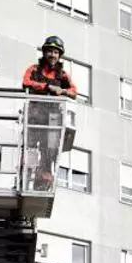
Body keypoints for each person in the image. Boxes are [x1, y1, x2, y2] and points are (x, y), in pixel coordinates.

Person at [21, 35, 77, 190]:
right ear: (45, 52)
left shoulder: (62, 75)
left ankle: (42, 182)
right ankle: (24, 178)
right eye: (50, 51)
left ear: (59, 55)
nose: (53, 55)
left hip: (53, 118)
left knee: (49, 152)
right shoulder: (34, 69)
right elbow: (26, 82)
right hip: (34, 115)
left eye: (56, 52)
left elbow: (74, 92)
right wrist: (47, 87)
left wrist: (62, 91)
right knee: (30, 148)